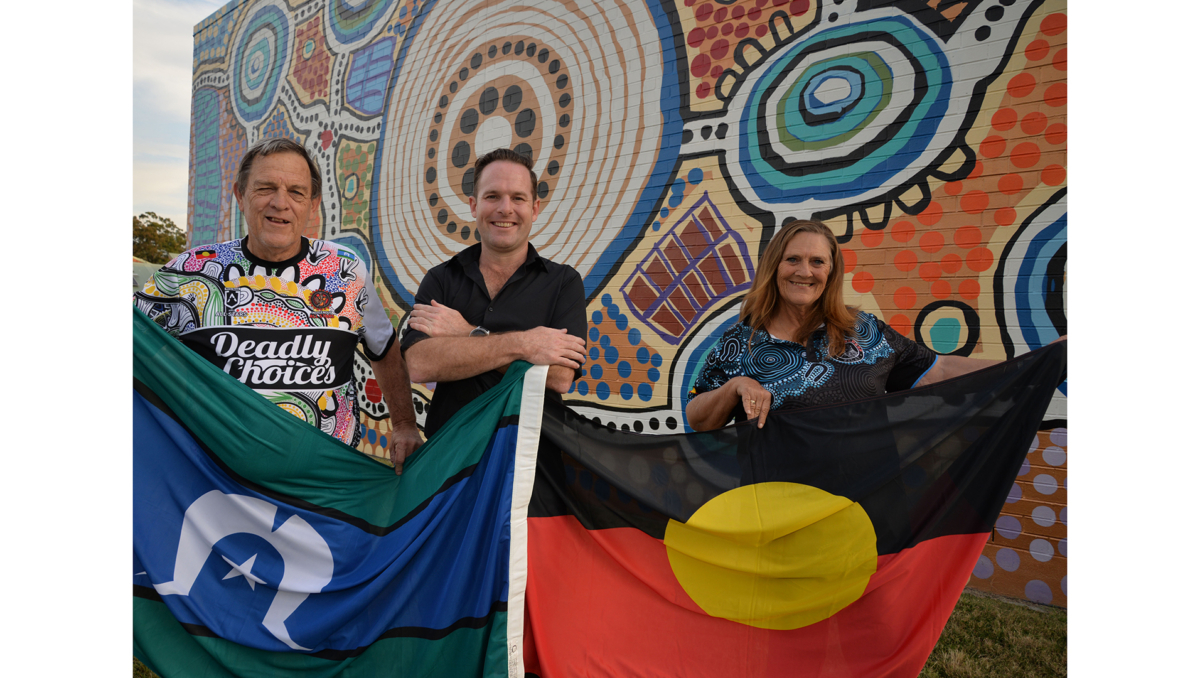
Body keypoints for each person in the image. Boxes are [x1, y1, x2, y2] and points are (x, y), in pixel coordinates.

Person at [134, 137, 423, 473]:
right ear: (240, 195)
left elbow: (384, 348)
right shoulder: (189, 272)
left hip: (323, 485)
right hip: (211, 484)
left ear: (313, 204)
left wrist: (403, 424)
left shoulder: (347, 270)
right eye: (265, 188)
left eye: (296, 192)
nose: (280, 203)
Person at [686, 219, 1060, 431]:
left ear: (831, 272)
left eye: (817, 261)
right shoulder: (741, 343)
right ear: (774, 267)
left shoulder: (864, 331)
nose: (805, 271)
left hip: (861, 501)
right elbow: (697, 418)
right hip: (770, 505)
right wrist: (736, 386)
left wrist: (1036, 364)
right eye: (793, 259)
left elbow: (938, 369)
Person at [401, 148, 587, 438]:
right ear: (474, 206)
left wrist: (464, 334)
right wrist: (527, 345)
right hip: (450, 454)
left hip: (530, 458)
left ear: (534, 208)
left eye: (518, 198)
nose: (505, 208)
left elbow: (559, 376)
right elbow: (419, 363)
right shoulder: (442, 279)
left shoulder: (564, 282)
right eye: (493, 196)